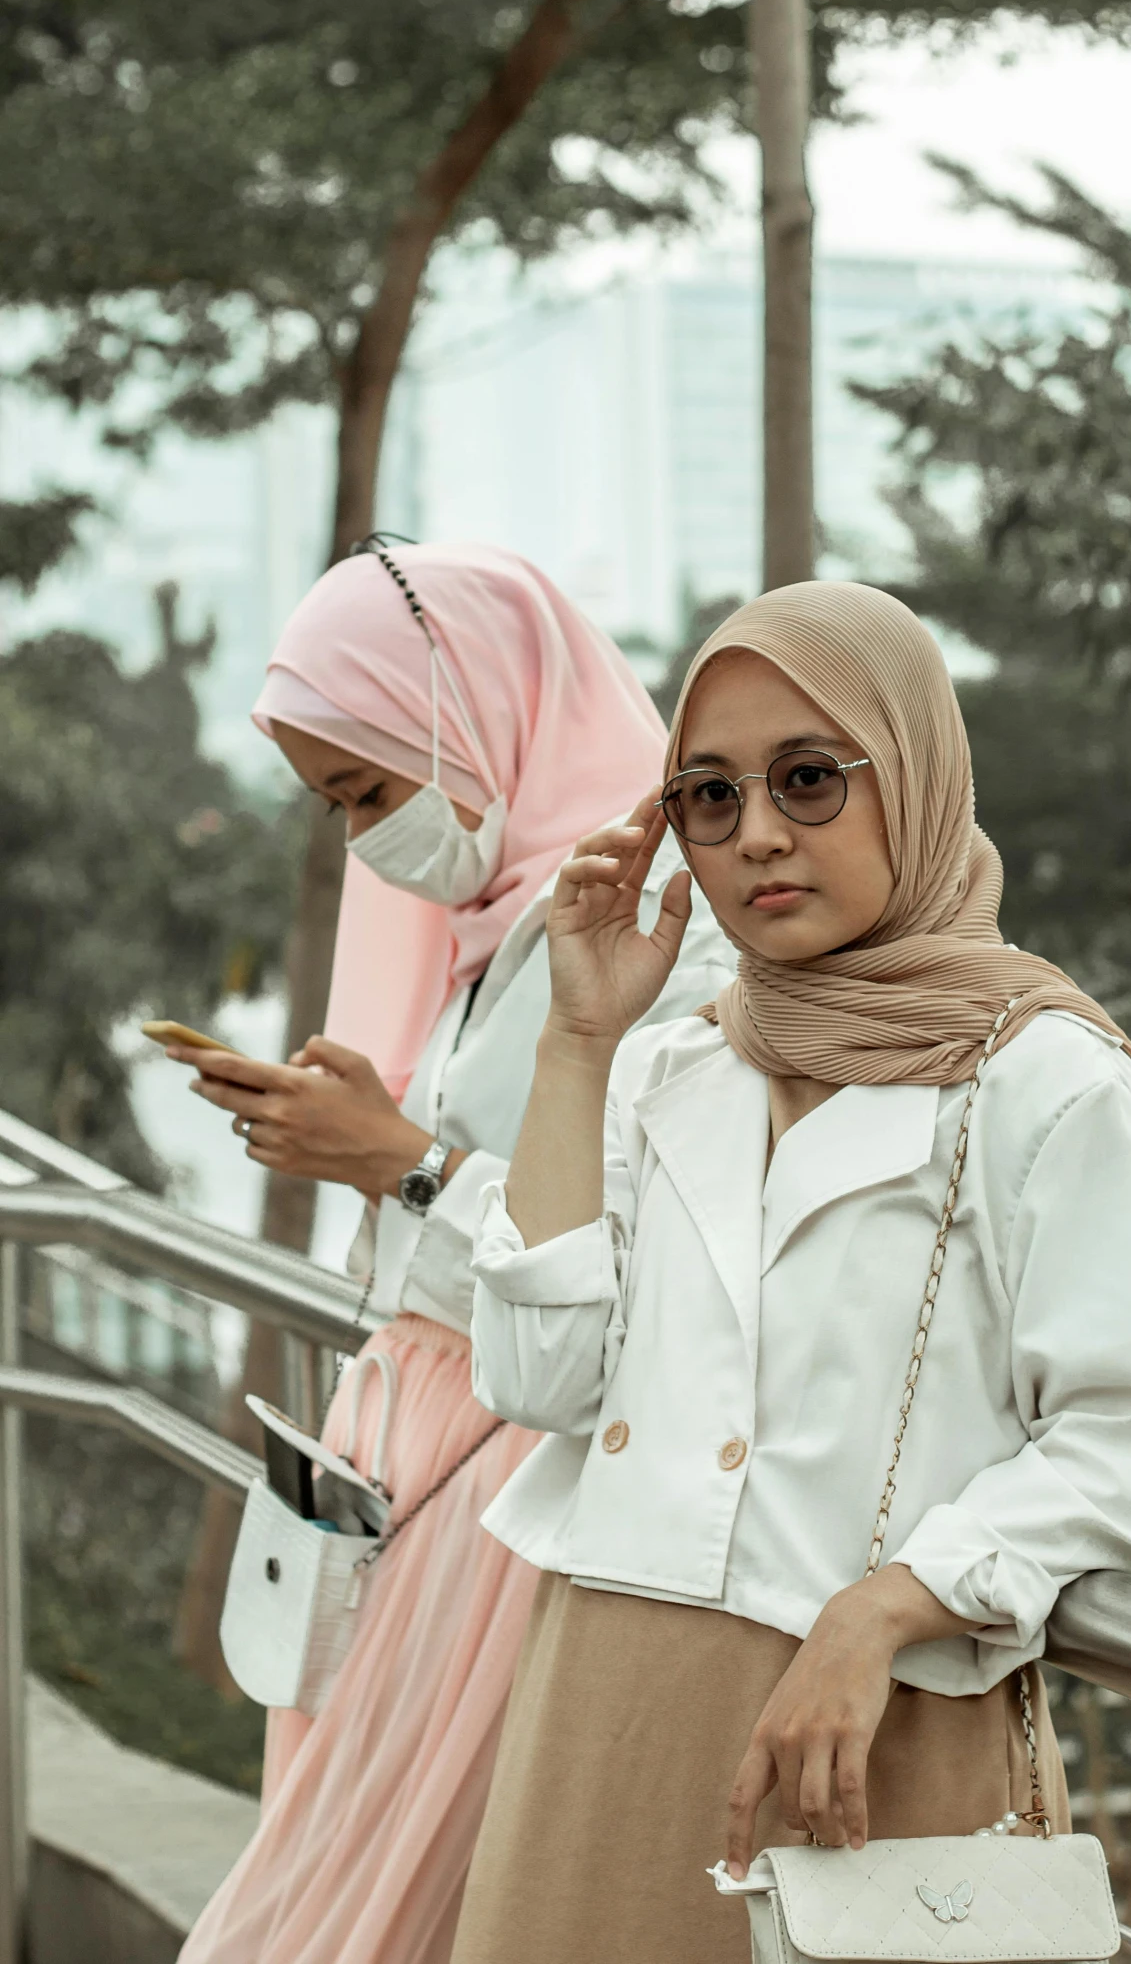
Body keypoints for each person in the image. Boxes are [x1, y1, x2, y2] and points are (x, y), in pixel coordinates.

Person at [452, 578, 1131, 1964]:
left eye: (808, 778)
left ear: (911, 776)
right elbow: (536, 1376)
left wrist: (888, 1605)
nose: (758, 835)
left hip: (869, 1727)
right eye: (708, 795)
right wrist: (574, 1039)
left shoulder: (1049, 1083)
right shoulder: (667, 1066)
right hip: (596, 1702)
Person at [167, 541, 733, 1964]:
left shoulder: (653, 936)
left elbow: (642, 1247)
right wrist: (371, 1128)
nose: (362, 839)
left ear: (477, 714)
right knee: (342, 1885)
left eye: (368, 787)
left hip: (497, 1486)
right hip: (413, 1476)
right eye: (334, 803)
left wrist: (392, 1156)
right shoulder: (502, 928)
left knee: (344, 1917)